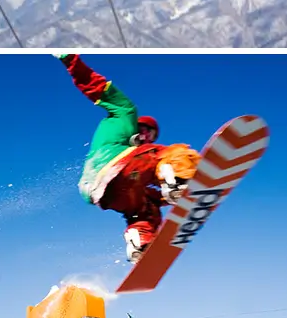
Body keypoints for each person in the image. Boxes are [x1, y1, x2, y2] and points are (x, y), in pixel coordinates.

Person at [56, 53, 200, 262]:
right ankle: (179, 180)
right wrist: (70, 59)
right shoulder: (124, 115)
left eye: (151, 135)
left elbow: (148, 191)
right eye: (146, 130)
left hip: (101, 192)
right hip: (112, 164)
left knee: (146, 209)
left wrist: (169, 199)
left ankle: (140, 242)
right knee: (173, 153)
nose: (146, 137)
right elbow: (96, 87)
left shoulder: (141, 164)